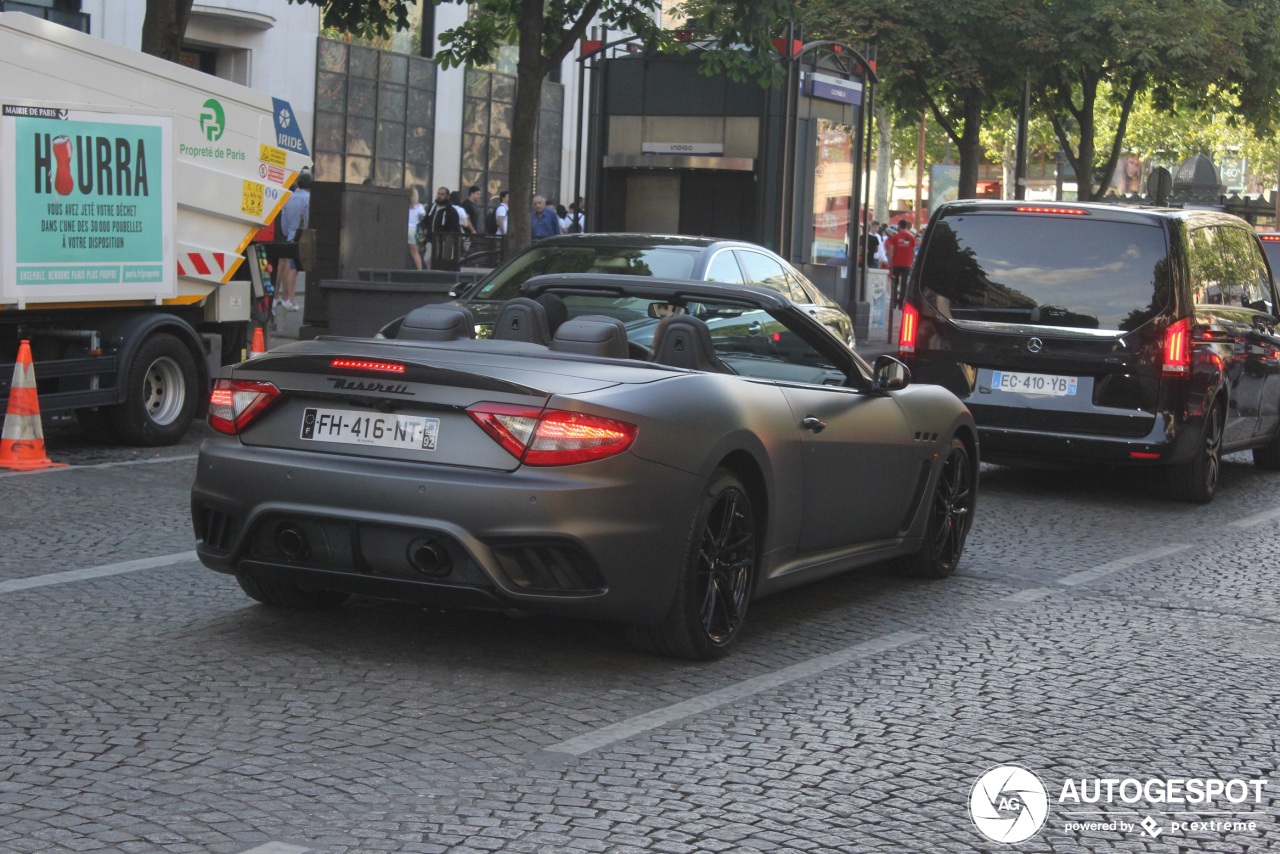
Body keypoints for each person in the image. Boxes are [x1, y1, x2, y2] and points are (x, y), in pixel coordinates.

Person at [276, 169, 311, 312]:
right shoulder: (308, 198)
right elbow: (308, 218)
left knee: (284, 266)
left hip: (290, 235)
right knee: (293, 269)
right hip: (302, 236)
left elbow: (284, 219)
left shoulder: (288, 197)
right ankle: (290, 299)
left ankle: (281, 298)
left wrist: (287, 232)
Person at [425, 186, 463, 269]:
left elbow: (456, 228)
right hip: (431, 240)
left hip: (443, 241)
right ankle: (430, 275)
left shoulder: (451, 211)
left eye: (442, 194)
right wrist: (425, 229)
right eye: (438, 193)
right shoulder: (432, 207)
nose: (439, 196)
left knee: (440, 261)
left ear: (447, 196)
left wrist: (455, 241)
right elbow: (425, 220)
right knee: (427, 259)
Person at [885, 218, 917, 309]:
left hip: (896, 263)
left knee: (894, 283)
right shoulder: (911, 237)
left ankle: (894, 301)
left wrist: (889, 262)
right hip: (906, 264)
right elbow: (913, 251)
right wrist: (911, 262)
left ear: (899, 226)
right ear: (906, 226)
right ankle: (901, 302)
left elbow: (891, 250)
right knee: (903, 284)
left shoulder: (894, 237)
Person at [407, 186, 425, 270]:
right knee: (415, 252)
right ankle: (419, 270)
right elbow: (423, 217)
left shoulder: (404, 205)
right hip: (414, 229)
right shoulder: (419, 206)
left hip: (405, 228)